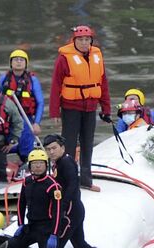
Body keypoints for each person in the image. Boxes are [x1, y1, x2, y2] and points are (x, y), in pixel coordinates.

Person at [42, 134, 116, 248]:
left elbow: (72, 186)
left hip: (70, 212)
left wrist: (61, 208)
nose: (51, 152)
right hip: (76, 210)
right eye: (48, 149)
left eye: (54, 148)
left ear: (62, 147)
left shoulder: (66, 163)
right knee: (79, 245)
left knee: (56, 247)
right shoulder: (59, 162)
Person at [50, 24, 112, 191]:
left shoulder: (97, 56)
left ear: (91, 40)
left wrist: (106, 108)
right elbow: (56, 84)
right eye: (81, 40)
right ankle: (66, 180)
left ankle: (86, 180)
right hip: (71, 107)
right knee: (68, 144)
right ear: (74, 40)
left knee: (87, 143)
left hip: (90, 107)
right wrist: (54, 110)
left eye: (87, 39)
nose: (84, 43)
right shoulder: (64, 58)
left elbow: (103, 83)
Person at [0, 149, 66, 248]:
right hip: (31, 226)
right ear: (29, 166)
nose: (37, 167)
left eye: (40, 164)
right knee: (9, 246)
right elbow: (21, 203)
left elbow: (58, 212)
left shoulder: (53, 186)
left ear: (46, 165)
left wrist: (54, 234)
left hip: (47, 229)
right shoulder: (27, 182)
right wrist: (21, 224)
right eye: (34, 164)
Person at [0, 49, 45, 163]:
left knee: (26, 148)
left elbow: (40, 102)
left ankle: (27, 166)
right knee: (2, 146)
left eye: (21, 60)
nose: (18, 62)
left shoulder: (32, 80)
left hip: (26, 119)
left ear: (26, 63)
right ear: (11, 63)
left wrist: (36, 123)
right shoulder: (3, 79)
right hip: (7, 120)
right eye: (15, 60)